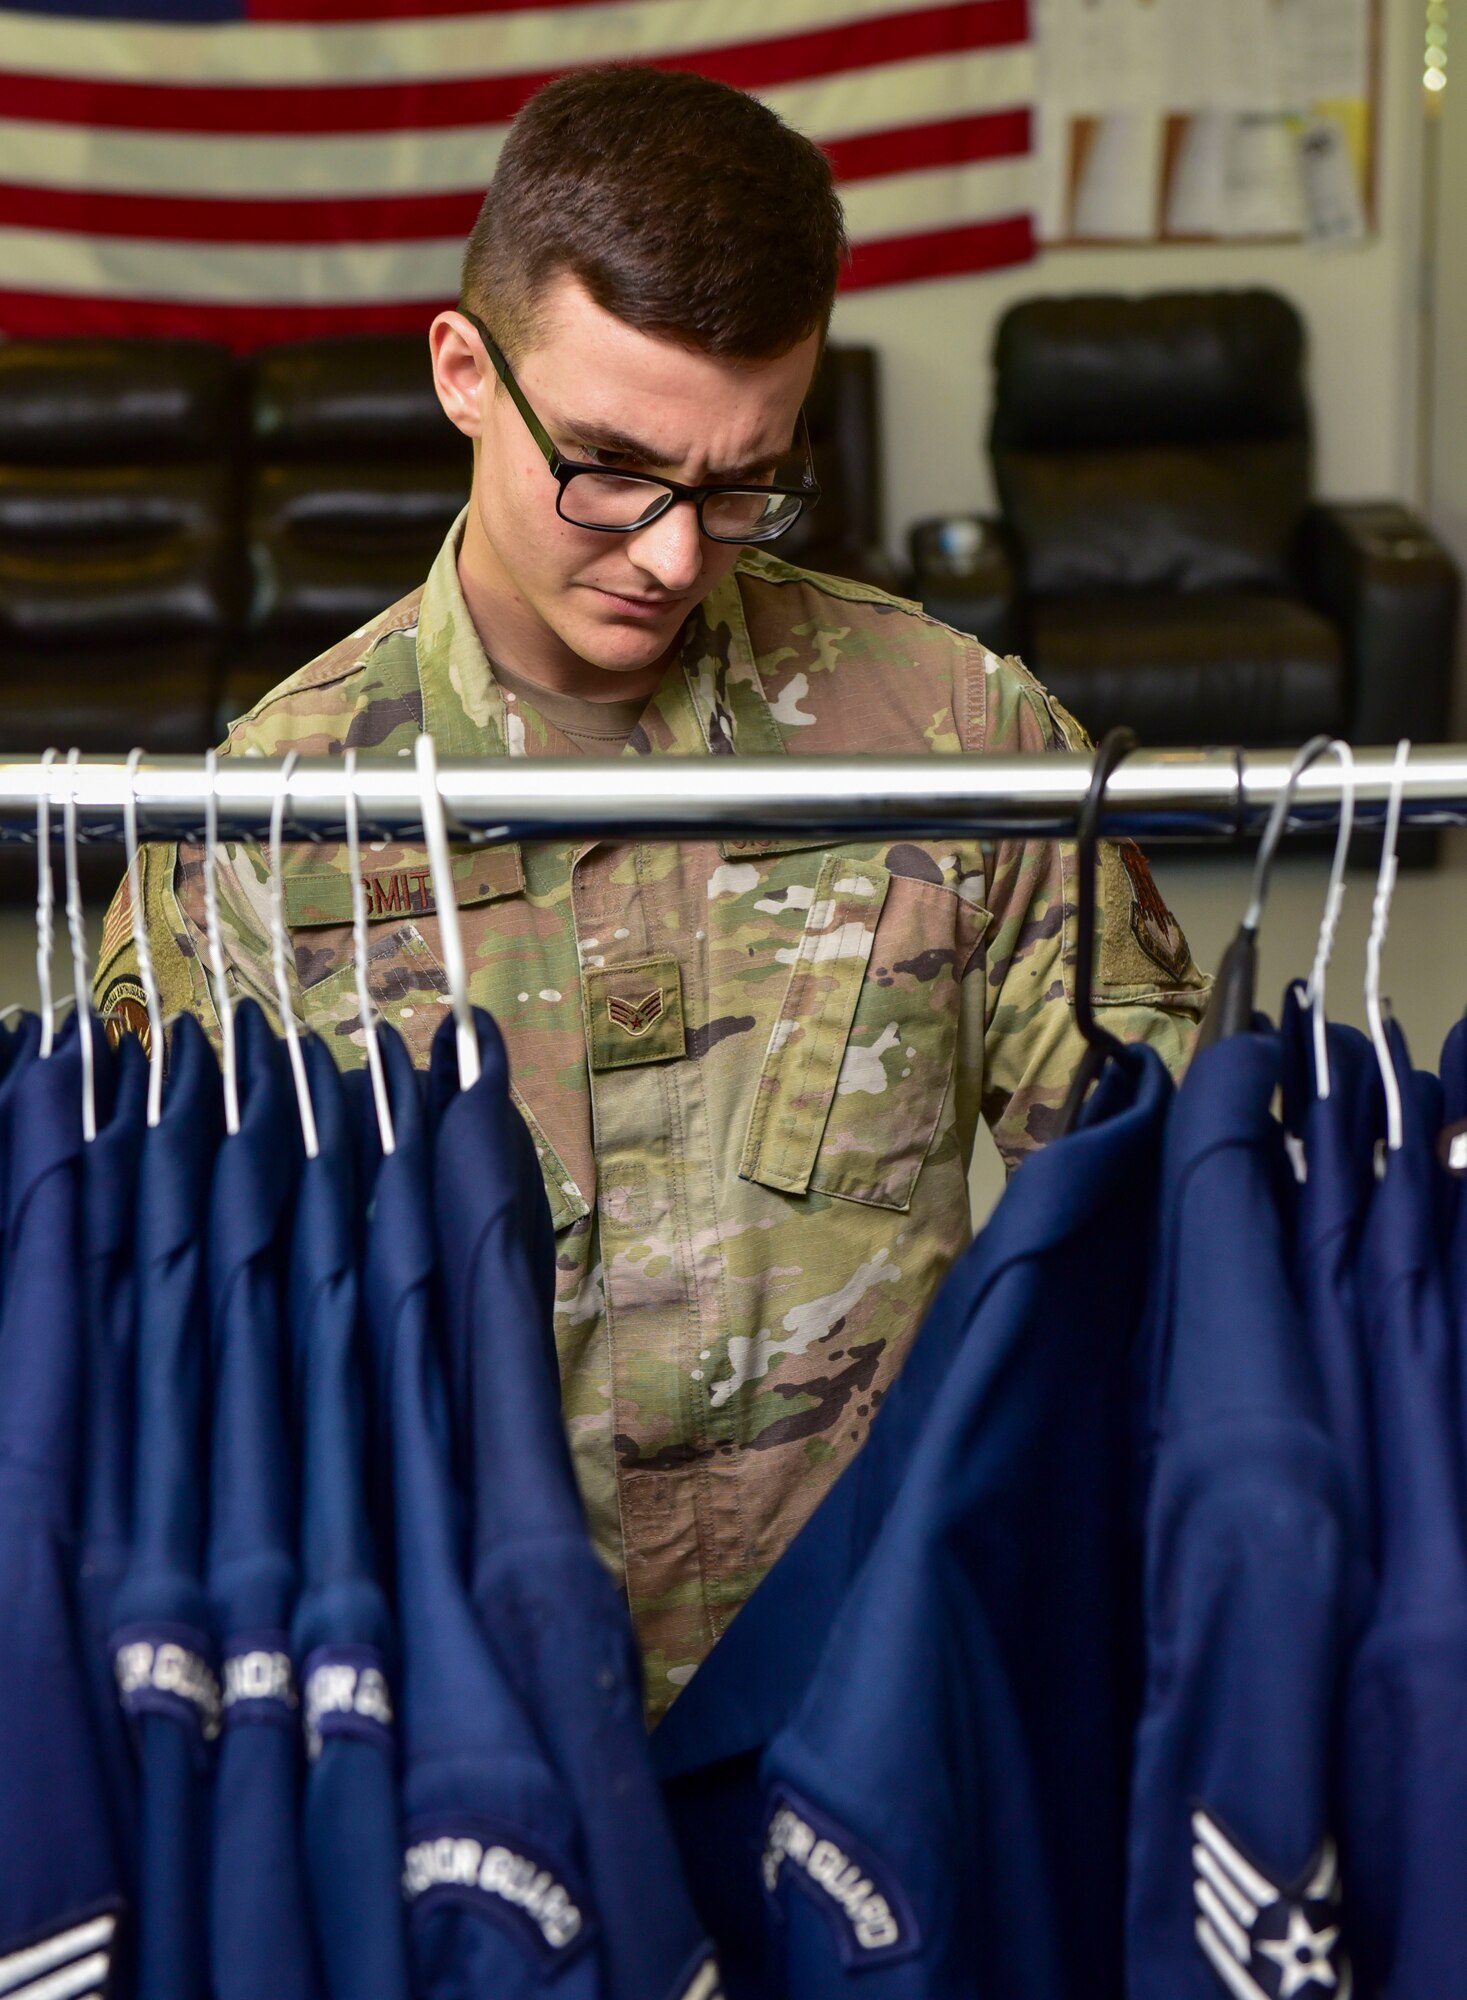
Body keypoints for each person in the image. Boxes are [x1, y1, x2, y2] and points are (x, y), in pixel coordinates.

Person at [96, 64, 1208, 1719]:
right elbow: (168, 1354)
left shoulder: (961, 742)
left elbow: (1152, 1223)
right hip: (455, 1698)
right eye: (612, 470)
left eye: (744, 481)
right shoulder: (260, 835)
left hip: (877, 1675)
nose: (678, 558)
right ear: (466, 373)